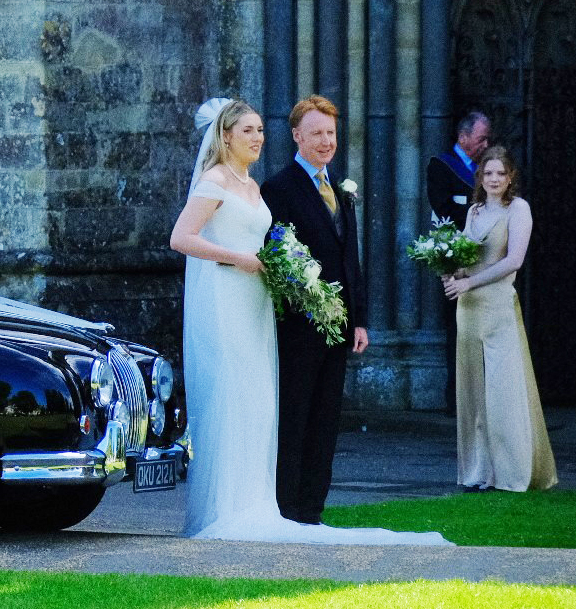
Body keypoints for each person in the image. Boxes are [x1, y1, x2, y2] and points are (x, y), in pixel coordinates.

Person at [170, 97, 450, 545]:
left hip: (281, 311)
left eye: (261, 130)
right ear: (226, 136)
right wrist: (244, 262)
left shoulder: (277, 187)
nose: (258, 138)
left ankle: (294, 509)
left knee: (288, 412)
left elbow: (342, 258)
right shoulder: (256, 185)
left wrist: (354, 316)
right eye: (248, 131)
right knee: (262, 407)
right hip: (260, 311)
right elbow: (184, 237)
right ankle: (249, 507)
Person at [260, 95, 365, 526]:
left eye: (331, 134)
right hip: (299, 328)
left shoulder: (341, 188)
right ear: (297, 136)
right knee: (296, 416)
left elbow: (350, 258)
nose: (326, 142)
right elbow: (276, 259)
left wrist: (359, 319)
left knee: (326, 420)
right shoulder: (278, 189)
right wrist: (309, 304)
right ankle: (287, 507)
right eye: (317, 133)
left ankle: (313, 509)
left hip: (339, 327)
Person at [443, 147, 557, 492]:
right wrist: (448, 271)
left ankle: (511, 473)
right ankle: (478, 470)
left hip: (497, 307)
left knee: (503, 389)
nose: (493, 179)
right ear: (480, 178)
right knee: (474, 392)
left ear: (510, 178)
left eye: (500, 174)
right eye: (487, 173)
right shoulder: (474, 211)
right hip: (469, 308)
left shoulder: (518, 209)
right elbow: (463, 257)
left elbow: (513, 261)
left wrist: (468, 282)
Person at [427, 112, 492, 413]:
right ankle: (457, 398)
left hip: (487, 258)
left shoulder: (488, 169)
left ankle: (485, 395)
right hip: (456, 259)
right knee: (459, 325)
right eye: (481, 139)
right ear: (463, 137)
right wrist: (476, 215)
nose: (485, 144)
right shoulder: (441, 166)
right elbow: (443, 207)